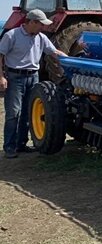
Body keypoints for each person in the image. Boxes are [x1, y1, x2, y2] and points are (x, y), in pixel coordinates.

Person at [0, 9, 68, 158]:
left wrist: (71, 61)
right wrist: (1, 77)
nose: (43, 27)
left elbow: (54, 52)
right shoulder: (12, 35)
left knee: (27, 112)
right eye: (41, 24)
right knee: (13, 113)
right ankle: (9, 147)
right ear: (31, 22)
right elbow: (1, 55)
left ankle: (21, 144)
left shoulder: (41, 37)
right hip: (15, 77)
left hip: (33, 77)